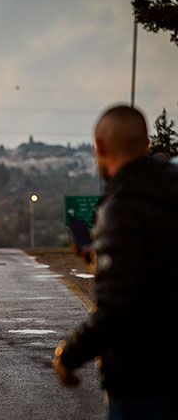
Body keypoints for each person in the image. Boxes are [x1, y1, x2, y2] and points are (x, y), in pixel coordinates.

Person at [52, 105, 178, 419]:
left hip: (144, 381)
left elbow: (116, 309)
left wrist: (68, 356)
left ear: (100, 147)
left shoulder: (122, 206)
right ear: (147, 144)